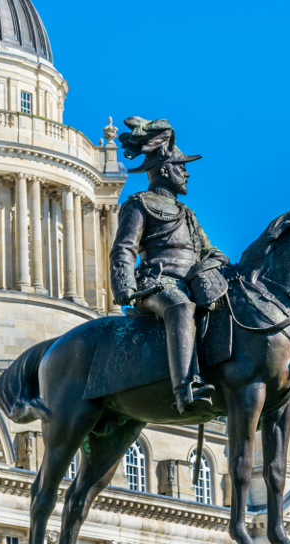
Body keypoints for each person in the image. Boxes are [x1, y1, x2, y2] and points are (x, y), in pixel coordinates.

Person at [110, 117, 230, 415]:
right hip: (157, 284)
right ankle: (185, 390)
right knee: (181, 307)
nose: (186, 173)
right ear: (165, 170)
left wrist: (215, 264)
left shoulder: (186, 213)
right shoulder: (139, 204)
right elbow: (123, 248)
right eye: (181, 167)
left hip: (189, 283)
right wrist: (124, 286)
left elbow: (208, 250)